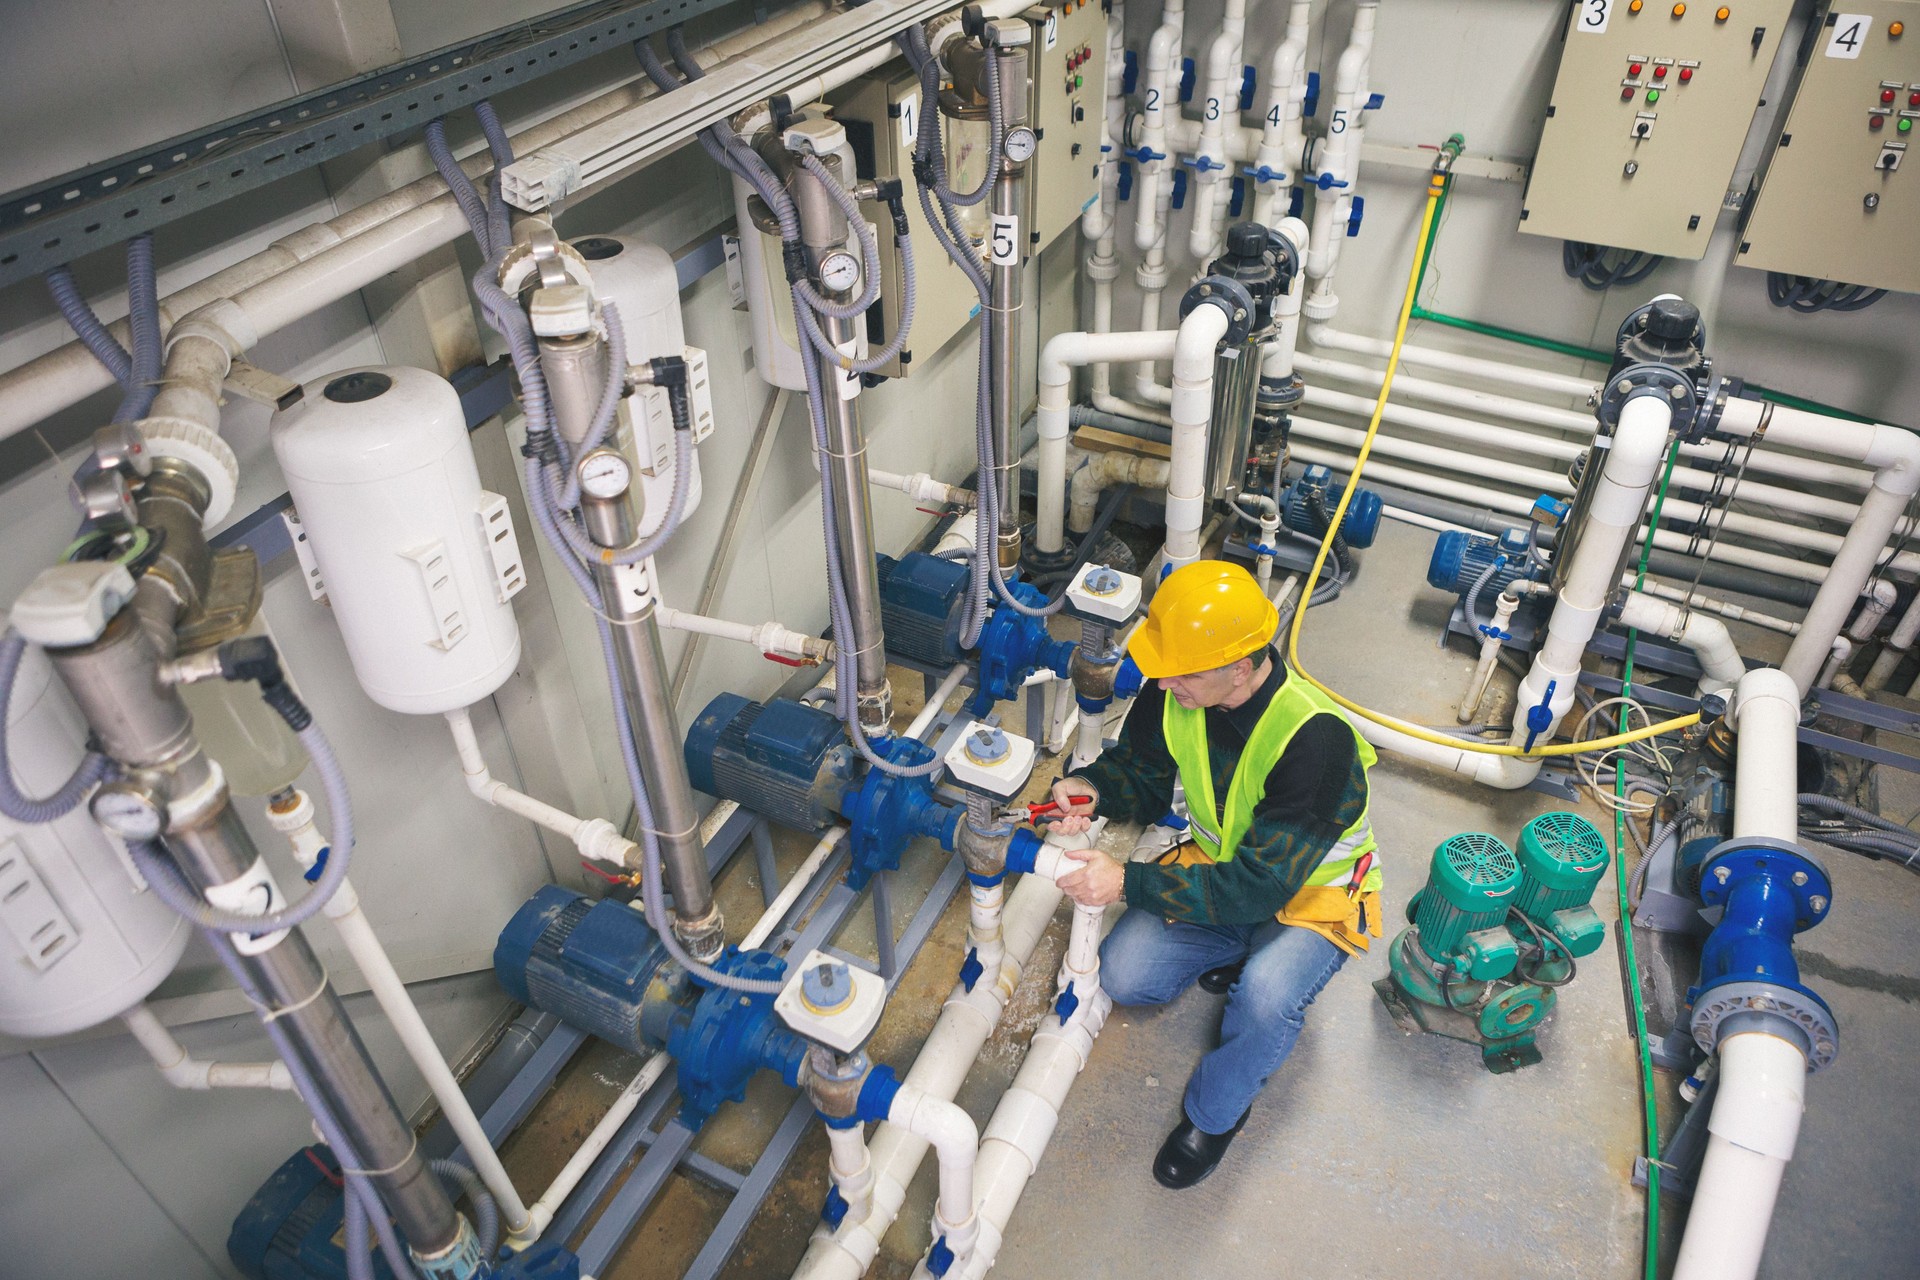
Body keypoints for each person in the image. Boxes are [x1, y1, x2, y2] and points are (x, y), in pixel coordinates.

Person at [1048, 559, 1383, 1189]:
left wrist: (1127, 882)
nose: (1166, 683)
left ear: (1243, 665)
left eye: (1185, 673)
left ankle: (1216, 1113)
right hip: (1229, 870)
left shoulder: (1317, 742)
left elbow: (1261, 885)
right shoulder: (1178, 689)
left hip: (1312, 895)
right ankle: (1242, 944)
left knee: (1263, 998)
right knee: (1125, 974)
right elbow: (1143, 775)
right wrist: (1091, 789)